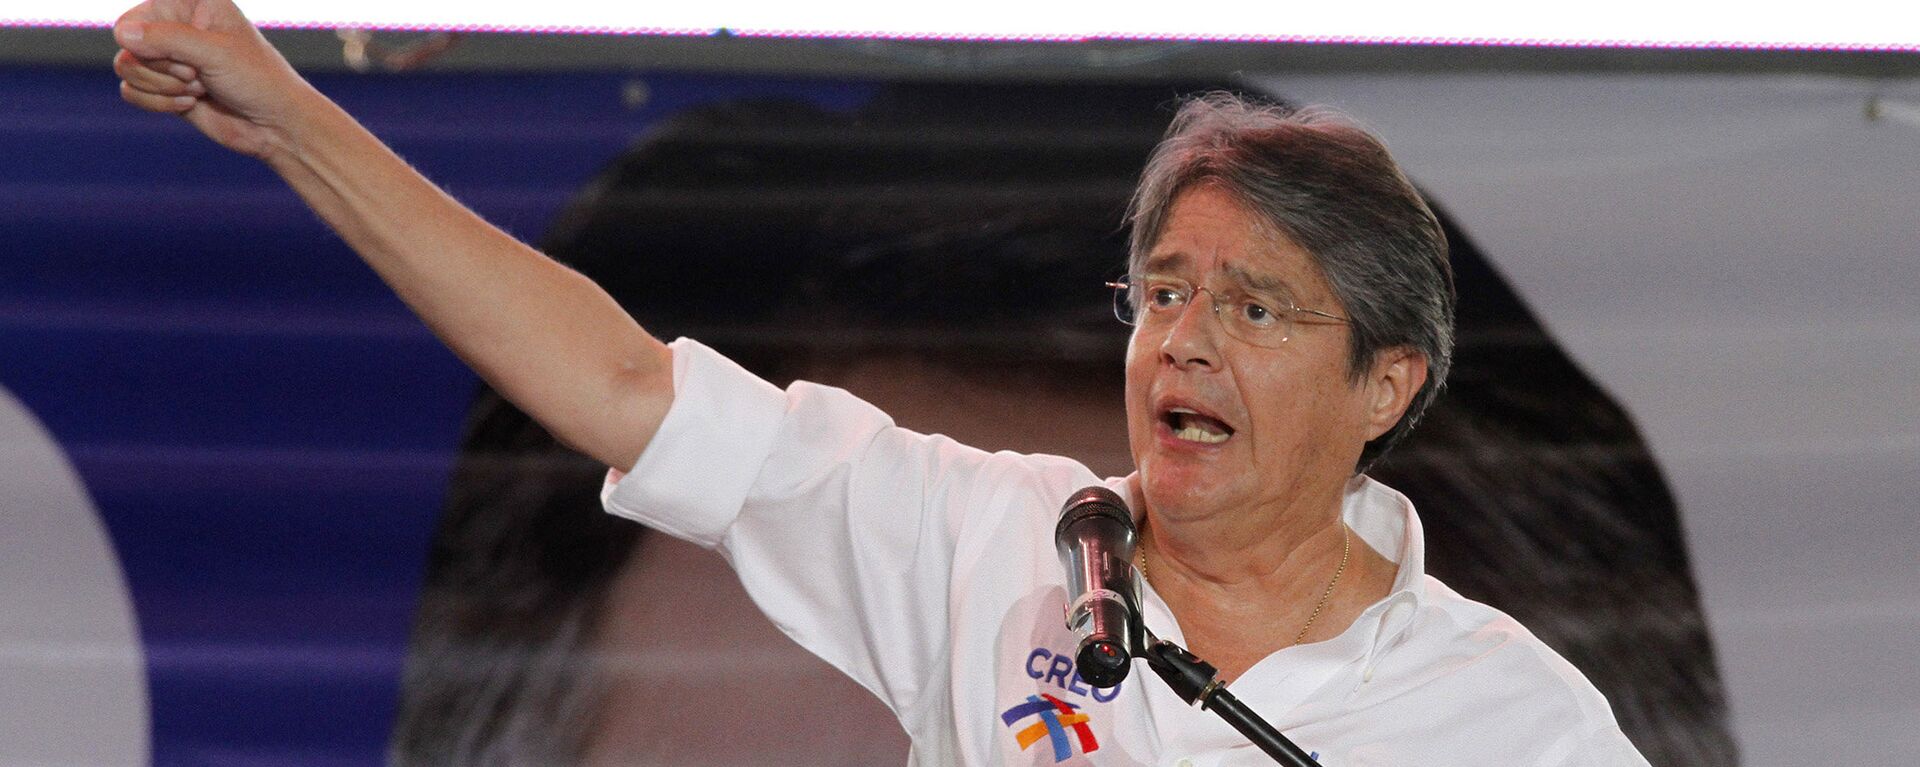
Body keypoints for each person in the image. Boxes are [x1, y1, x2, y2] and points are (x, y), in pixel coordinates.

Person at [112, 2, 1652, 763]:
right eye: (1165, 291)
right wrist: (292, 122)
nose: (1183, 341)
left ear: (1388, 384)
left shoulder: (1512, 720)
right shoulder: (991, 545)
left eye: (1255, 310)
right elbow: (615, 380)